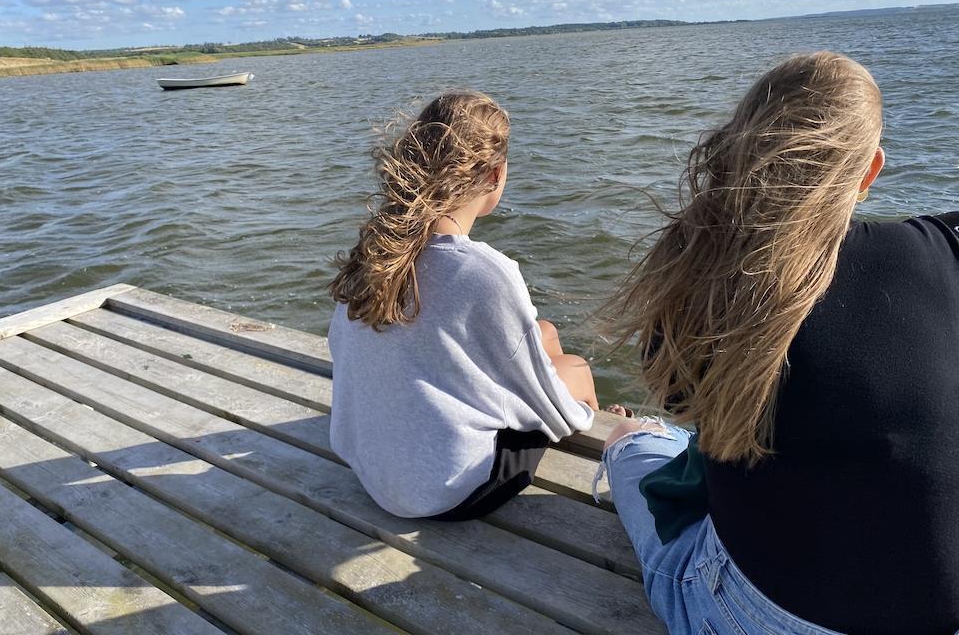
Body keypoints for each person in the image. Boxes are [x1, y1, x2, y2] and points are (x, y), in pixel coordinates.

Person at [597, 52, 959, 634]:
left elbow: (679, 398)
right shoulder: (939, 250)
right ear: (871, 170)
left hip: (758, 619)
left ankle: (630, 441)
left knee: (632, 441)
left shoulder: (707, 272)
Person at [328, 91, 598, 520]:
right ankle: (606, 442)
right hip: (448, 491)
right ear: (495, 174)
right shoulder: (485, 272)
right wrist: (582, 411)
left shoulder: (377, 253)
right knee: (577, 369)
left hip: (371, 470)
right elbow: (547, 403)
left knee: (545, 332)